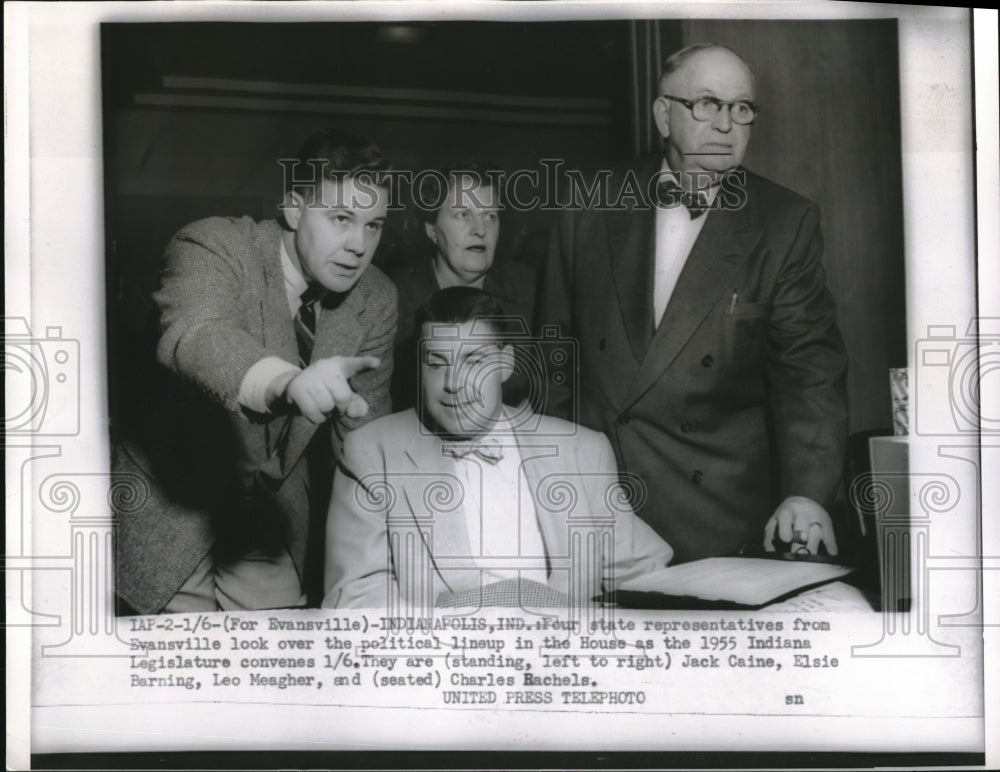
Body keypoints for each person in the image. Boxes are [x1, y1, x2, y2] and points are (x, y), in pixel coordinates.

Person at [538, 43, 849, 564]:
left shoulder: (784, 222)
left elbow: (810, 373)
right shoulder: (588, 201)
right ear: (664, 115)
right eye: (707, 103)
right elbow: (552, 355)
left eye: (742, 108)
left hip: (718, 520)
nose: (727, 124)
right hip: (594, 509)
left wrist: (807, 492)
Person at [114, 128, 397, 613]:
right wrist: (286, 382)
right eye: (341, 218)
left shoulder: (375, 298)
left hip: (272, 519)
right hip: (169, 503)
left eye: (374, 225)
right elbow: (195, 332)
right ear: (292, 207)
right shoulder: (215, 244)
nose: (358, 245)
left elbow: (367, 444)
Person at [323, 287, 673, 610]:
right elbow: (354, 600)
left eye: (474, 362)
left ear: (505, 364)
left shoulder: (582, 450)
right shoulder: (372, 453)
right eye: (436, 363)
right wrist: (486, 610)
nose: (453, 385)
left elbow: (641, 576)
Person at [388, 161, 537, 410]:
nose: (480, 230)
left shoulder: (530, 289)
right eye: (463, 215)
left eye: (490, 216)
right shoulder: (393, 298)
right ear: (432, 230)